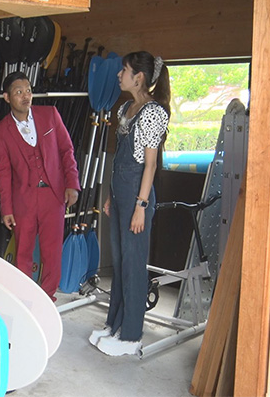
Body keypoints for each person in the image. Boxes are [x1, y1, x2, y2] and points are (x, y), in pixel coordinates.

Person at [89, 51, 170, 356]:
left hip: (138, 194)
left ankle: (131, 336)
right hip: (121, 191)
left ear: (139, 77)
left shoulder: (153, 113)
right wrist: (112, 196)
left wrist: (141, 206)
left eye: (123, 70)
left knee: (134, 265)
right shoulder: (125, 107)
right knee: (121, 262)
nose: (118, 75)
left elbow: (150, 165)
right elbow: (120, 158)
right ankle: (114, 324)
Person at [0, 71, 80, 301]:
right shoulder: (0, 131)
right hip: (24, 199)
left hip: (53, 194)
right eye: (18, 92)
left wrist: (72, 184)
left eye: (28, 91)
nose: (25, 96)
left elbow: (66, 150)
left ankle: (48, 298)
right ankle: (24, 298)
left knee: (52, 251)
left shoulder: (50, 115)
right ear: (7, 97)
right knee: (23, 251)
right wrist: (6, 208)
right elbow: (3, 172)